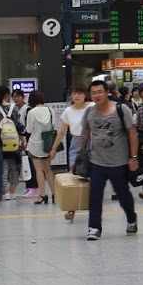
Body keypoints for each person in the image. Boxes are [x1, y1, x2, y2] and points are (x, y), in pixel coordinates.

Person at [79, 79, 140, 241]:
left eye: (100, 92)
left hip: (118, 162)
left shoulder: (121, 109)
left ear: (107, 93)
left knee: (123, 195)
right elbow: (85, 134)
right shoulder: (89, 113)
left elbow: (132, 133)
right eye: (93, 93)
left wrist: (133, 157)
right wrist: (79, 155)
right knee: (95, 195)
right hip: (96, 161)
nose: (96, 95)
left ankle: (131, 218)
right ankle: (94, 227)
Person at [52, 83, 91, 221]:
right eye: (75, 93)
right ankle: (72, 209)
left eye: (80, 93)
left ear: (86, 95)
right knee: (75, 175)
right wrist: (54, 149)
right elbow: (62, 131)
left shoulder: (92, 107)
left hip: (92, 142)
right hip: (75, 143)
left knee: (93, 177)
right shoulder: (68, 111)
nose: (77, 96)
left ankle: (94, 208)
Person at [22, 91, 58, 204]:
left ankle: (42, 195)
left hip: (35, 144)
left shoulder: (31, 112)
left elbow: (29, 130)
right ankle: (54, 194)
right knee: (48, 170)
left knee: (38, 171)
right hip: (47, 144)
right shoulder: (50, 110)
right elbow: (54, 126)